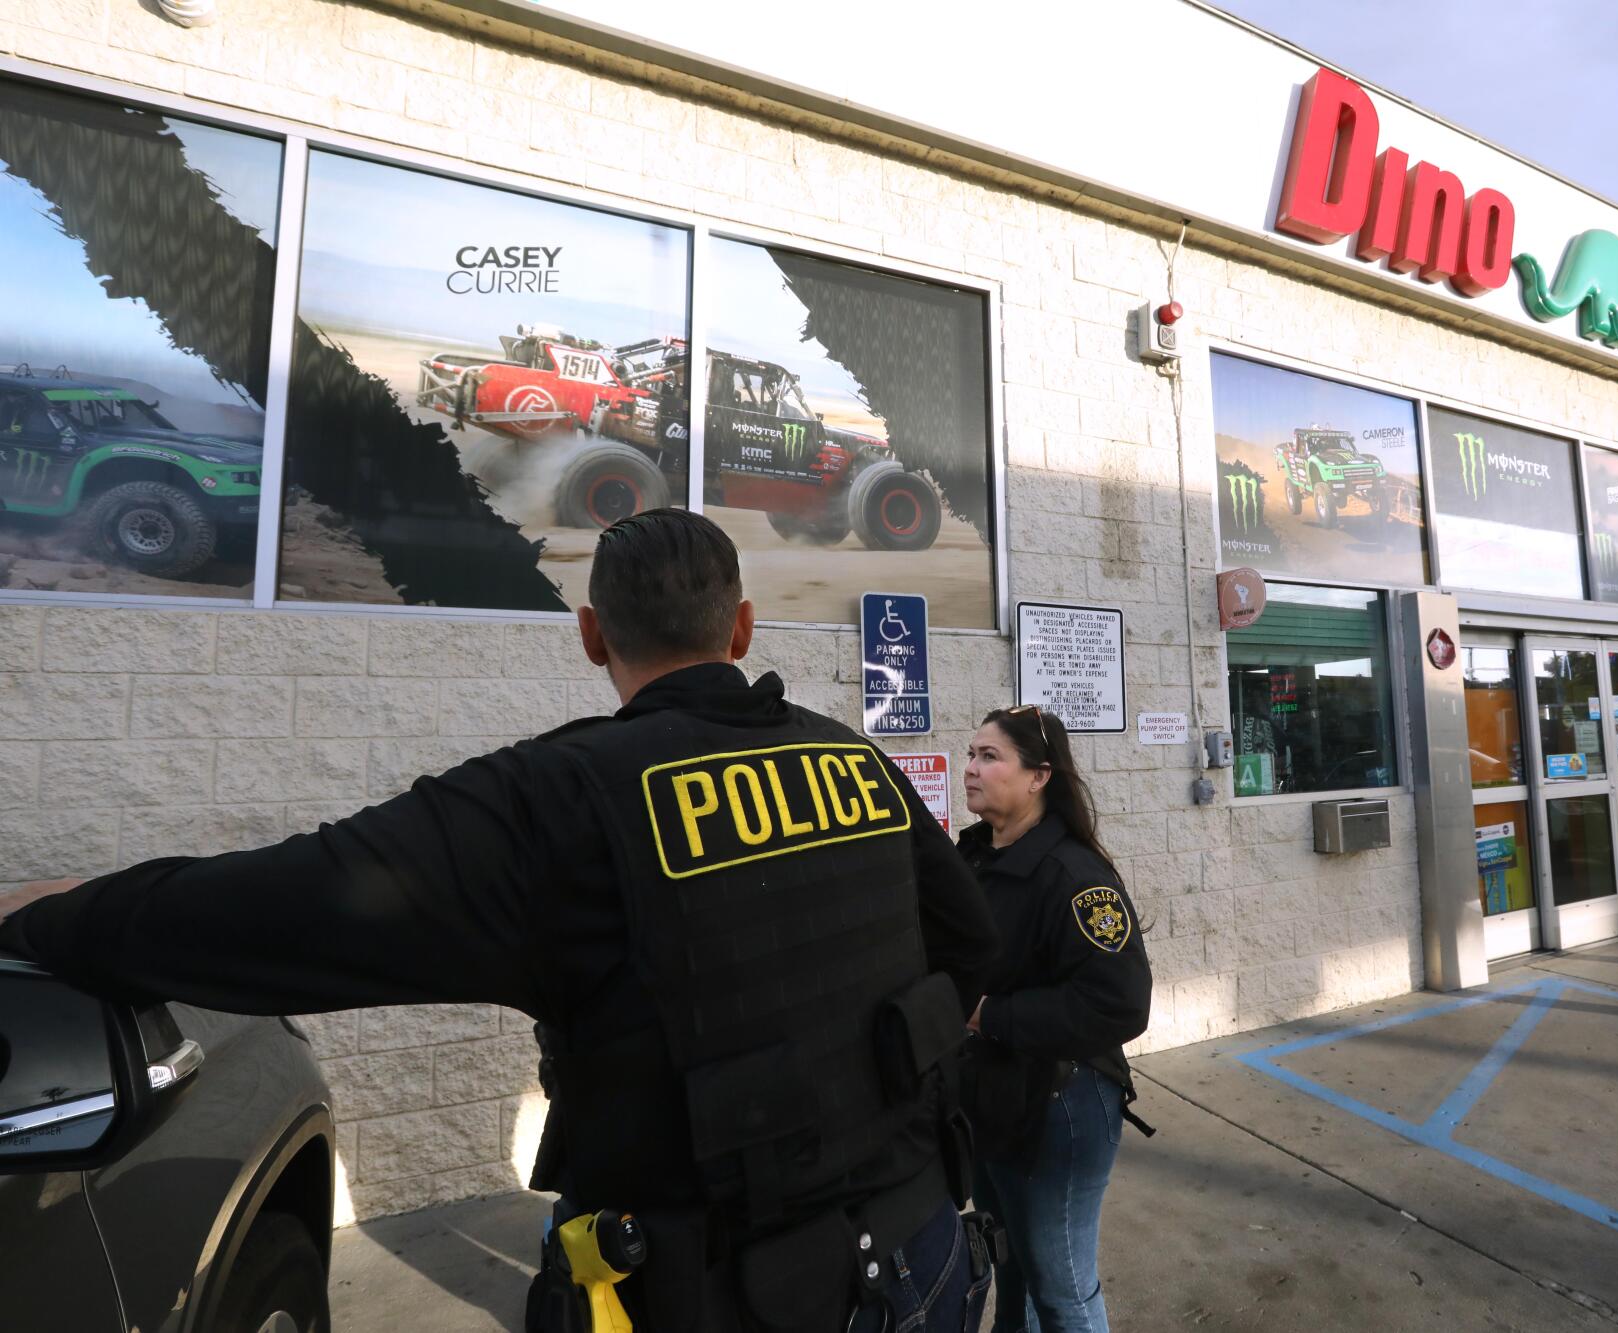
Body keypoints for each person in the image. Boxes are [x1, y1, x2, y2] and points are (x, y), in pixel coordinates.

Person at [0, 508, 1000, 1333]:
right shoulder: (850, 760)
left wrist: (50, 918)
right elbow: (969, 946)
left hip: (718, 1295)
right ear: (740, 629)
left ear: (592, 635)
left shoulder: (553, 802)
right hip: (920, 1256)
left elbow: (273, 907)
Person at [956, 705, 1153, 1333]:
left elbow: (1120, 1001)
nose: (971, 769)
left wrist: (992, 1017)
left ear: (1040, 776)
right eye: (970, 754)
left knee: (1061, 1289)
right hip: (996, 1096)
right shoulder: (977, 857)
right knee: (1008, 1263)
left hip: (1064, 1105)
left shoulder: (1073, 876)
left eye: (990, 757)